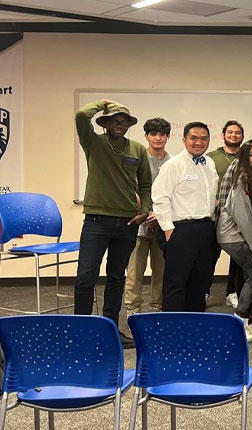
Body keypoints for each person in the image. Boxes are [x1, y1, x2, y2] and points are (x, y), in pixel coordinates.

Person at [75, 99, 151, 348]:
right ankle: (82, 330)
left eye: (125, 121)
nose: (120, 125)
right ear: (105, 123)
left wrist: (145, 210)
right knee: (86, 278)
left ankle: (110, 330)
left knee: (117, 277)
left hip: (127, 222)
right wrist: (103, 103)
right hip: (96, 221)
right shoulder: (93, 142)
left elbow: (146, 185)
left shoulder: (138, 149)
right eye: (114, 121)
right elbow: (80, 115)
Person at [152, 122, 219, 312]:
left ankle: (195, 326)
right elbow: (160, 198)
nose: (199, 142)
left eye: (203, 138)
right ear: (184, 140)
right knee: (176, 283)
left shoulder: (209, 162)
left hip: (206, 228)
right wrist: (168, 230)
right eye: (194, 138)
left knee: (200, 282)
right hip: (180, 229)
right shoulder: (173, 165)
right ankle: (173, 329)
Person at [217, 142, 252, 341]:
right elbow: (244, 216)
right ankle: (241, 320)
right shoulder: (242, 178)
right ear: (244, 159)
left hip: (246, 235)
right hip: (231, 235)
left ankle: (245, 317)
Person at [124, 117, 171, 316]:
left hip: (163, 224)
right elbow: (131, 188)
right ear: (146, 136)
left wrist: (159, 215)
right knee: (134, 272)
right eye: (153, 134)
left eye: (162, 134)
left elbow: (174, 193)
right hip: (139, 222)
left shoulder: (173, 162)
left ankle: (156, 309)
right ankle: (133, 310)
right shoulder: (138, 158)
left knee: (161, 272)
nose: (158, 138)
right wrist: (145, 211)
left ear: (168, 137)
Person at [208, 120, 245, 308]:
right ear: (223, 135)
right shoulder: (211, 157)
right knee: (209, 254)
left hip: (237, 215)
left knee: (237, 256)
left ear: (242, 136)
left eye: (238, 133)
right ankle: (205, 291)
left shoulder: (247, 157)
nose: (234, 135)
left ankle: (232, 292)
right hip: (213, 213)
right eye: (230, 132)